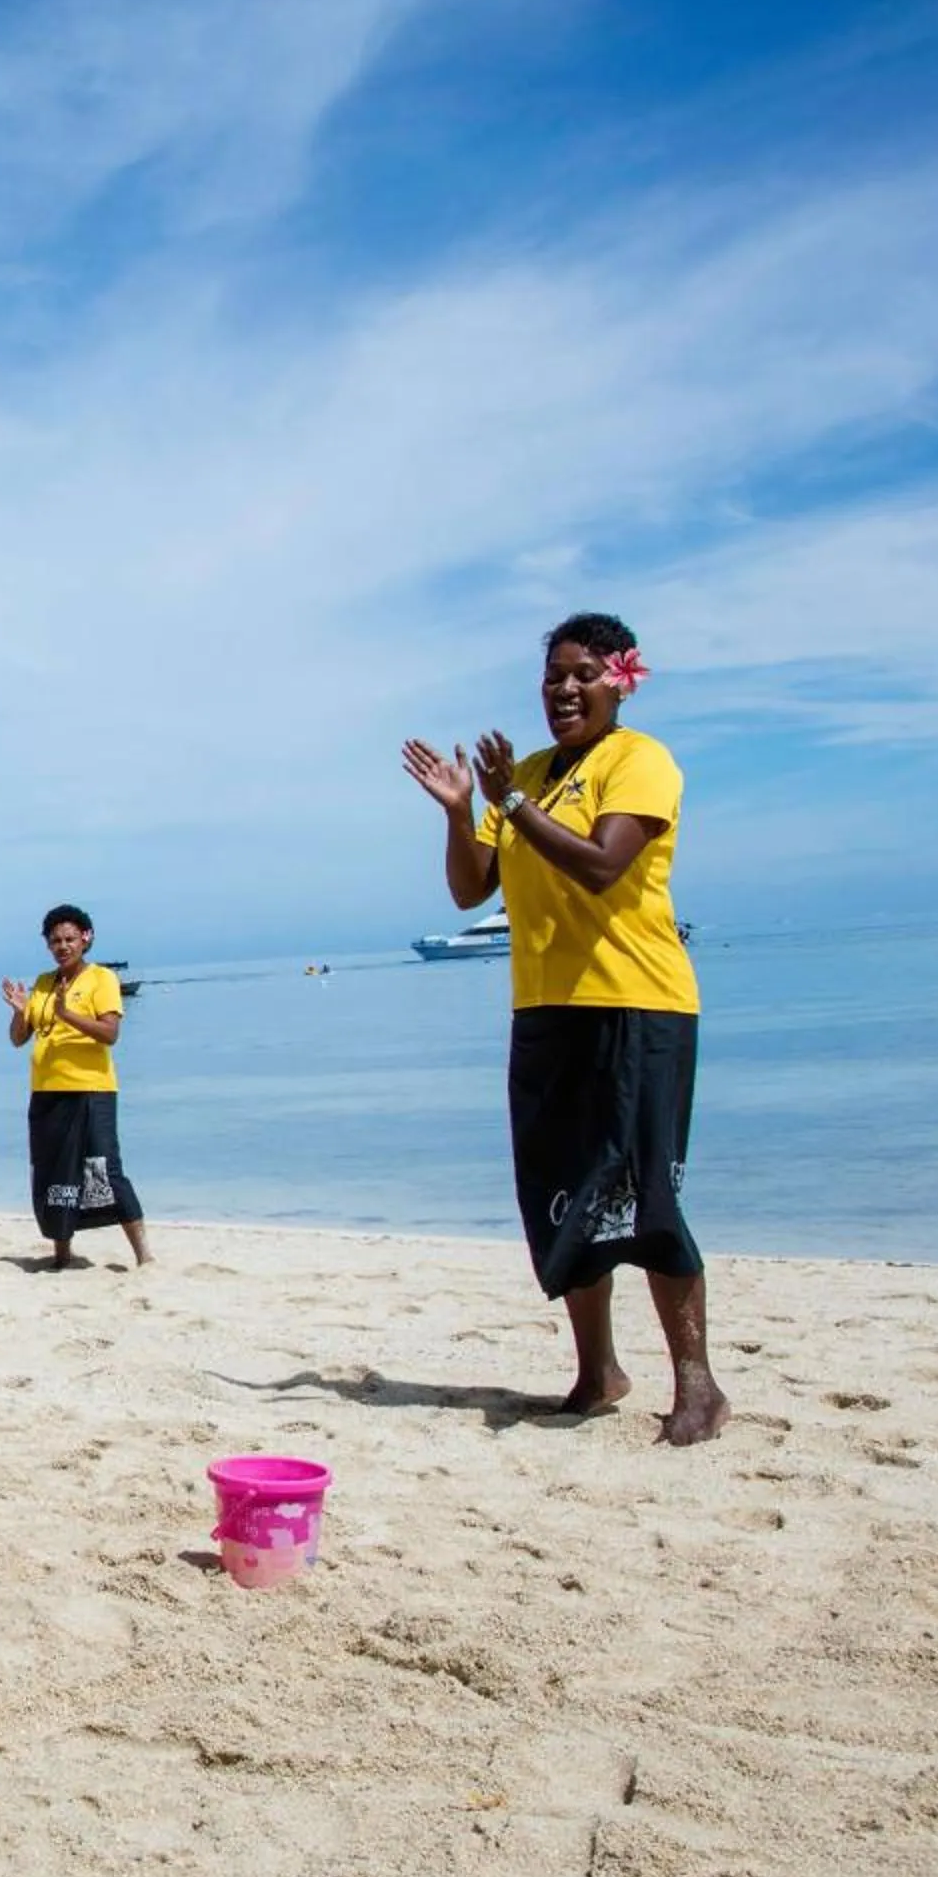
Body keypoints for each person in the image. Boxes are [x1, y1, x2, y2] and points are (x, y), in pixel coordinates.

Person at [402, 612, 730, 1446]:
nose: (566, 689)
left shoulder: (638, 761)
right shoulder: (527, 775)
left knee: (646, 1197)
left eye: (584, 674)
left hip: (637, 1004)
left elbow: (603, 865)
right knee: (563, 1197)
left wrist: (511, 802)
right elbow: (471, 890)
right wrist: (462, 811)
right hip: (546, 1010)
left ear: (622, 681)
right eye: (554, 676)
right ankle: (597, 1371)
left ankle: (698, 1385)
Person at [1, 904, 150, 1270]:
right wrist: (20, 1011)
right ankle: (61, 1256)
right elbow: (18, 1039)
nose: (63, 946)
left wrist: (67, 1014)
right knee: (52, 1172)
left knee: (105, 1169)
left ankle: (144, 1256)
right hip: (46, 1091)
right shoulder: (43, 983)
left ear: (86, 938)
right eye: (55, 941)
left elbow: (110, 1033)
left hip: (91, 1090)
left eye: (69, 939)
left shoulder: (101, 979)